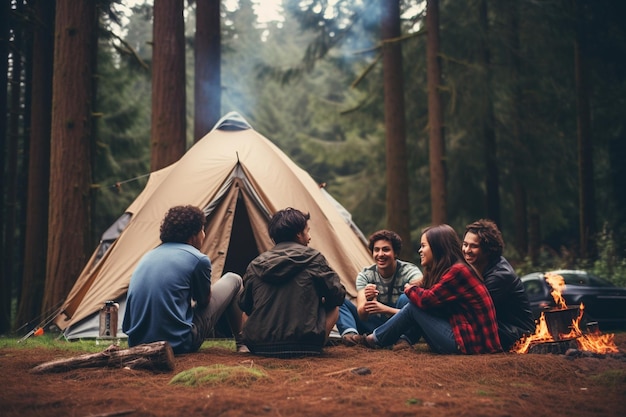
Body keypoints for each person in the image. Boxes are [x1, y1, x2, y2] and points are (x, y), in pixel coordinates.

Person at [122, 205, 246, 354]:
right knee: (234, 279)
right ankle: (242, 344)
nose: (204, 235)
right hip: (178, 343)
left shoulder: (148, 256)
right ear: (193, 235)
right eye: (202, 230)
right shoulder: (198, 259)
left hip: (137, 344)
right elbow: (204, 301)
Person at [362, 224, 502, 354]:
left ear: (437, 248)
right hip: (466, 338)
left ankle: (375, 339)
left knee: (414, 306)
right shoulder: (449, 269)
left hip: (471, 343)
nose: (420, 250)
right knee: (412, 302)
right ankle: (394, 339)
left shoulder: (458, 272)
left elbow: (426, 300)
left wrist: (409, 288)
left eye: (423, 246)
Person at [238, 207, 346, 358]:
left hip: (260, 346)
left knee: (246, 312)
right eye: (307, 231)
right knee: (334, 307)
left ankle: (247, 345)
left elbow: (245, 305)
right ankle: (315, 345)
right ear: (298, 234)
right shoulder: (314, 259)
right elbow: (337, 297)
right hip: (306, 344)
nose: (309, 237)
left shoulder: (256, 264)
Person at [336, 230, 423, 348]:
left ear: (395, 253)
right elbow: (362, 315)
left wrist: (384, 309)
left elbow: (418, 309)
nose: (380, 254)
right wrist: (368, 301)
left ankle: (403, 340)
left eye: (386, 249)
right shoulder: (366, 275)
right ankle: (351, 336)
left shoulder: (409, 271)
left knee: (407, 297)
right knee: (338, 299)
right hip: (375, 324)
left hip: (400, 326)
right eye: (376, 250)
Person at [462, 219, 535, 351]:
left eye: (473, 246)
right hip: (501, 329)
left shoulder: (500, 276)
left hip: (518, 335)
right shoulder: (480, 266)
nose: (467, 250)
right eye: (465, 244)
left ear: (488, 250)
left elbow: (471, 307)